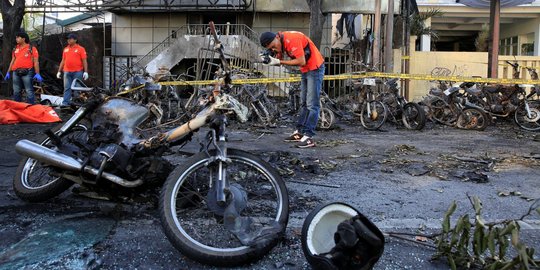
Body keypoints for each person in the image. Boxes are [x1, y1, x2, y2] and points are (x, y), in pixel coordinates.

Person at [260, 31, 325, 148]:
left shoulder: (292, 39)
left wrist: (279, 61)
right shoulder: (281, 41)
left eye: (274, 46)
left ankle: (309, 136)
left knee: (312, 104)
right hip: (305, 69)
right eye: (271, 48)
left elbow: (301, 61)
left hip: (315, 68)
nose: (274, 49)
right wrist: (270, 59)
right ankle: (300, 133)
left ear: (276, 38)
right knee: (304, 103)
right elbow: (279, 60)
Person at [4, 31, 43, 104]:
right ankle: (17, 107)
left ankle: (30, 107)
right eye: (16, 37)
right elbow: (12, 61)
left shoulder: (32, 48)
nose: (16, 39)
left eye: (18, 37)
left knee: (29, 90)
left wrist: (38, 73)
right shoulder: (15, 48)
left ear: (23, 39)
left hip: (28, 72)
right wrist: (8, 72)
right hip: (15, 72)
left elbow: (36, 62)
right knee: (16, 90)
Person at [57, 33, 88, 107]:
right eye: (68, 39)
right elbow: (63, 60)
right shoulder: (66, 49)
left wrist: (86, 72)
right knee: (67, 88)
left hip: (77, 72)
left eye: (70, 39)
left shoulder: (81, 49)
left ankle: (76, 104)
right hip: (67, 72)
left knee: (77, 89)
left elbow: (84, 60)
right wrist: (59, 71)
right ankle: (65, 104)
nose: (68, 40)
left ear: (75, 40)